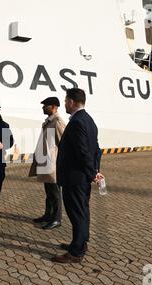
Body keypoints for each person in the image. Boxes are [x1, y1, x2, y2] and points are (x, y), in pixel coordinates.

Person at [52, 88, 103, 264]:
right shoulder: (90, 121)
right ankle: (80, 242)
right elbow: (96, 149)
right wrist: (95, 171)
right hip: (82, 177)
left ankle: (76, 252)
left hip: (75, 178)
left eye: (66, 101)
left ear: (72, 102)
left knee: (76, 213)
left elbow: (83, 152)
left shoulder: (77, 123)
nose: (64, 104)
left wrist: (92, 173)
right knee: (82, 211)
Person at [29, 97, 66, 230]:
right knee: (49, 192)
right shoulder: (48, 122)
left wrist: (60, 163)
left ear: (54, 107)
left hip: (53, 164)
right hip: (46, 162)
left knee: (55, 193)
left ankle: (56, 219)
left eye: (46, 105)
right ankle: (48, 215)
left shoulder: (57, 122)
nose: (43, 107)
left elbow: (64, 144)